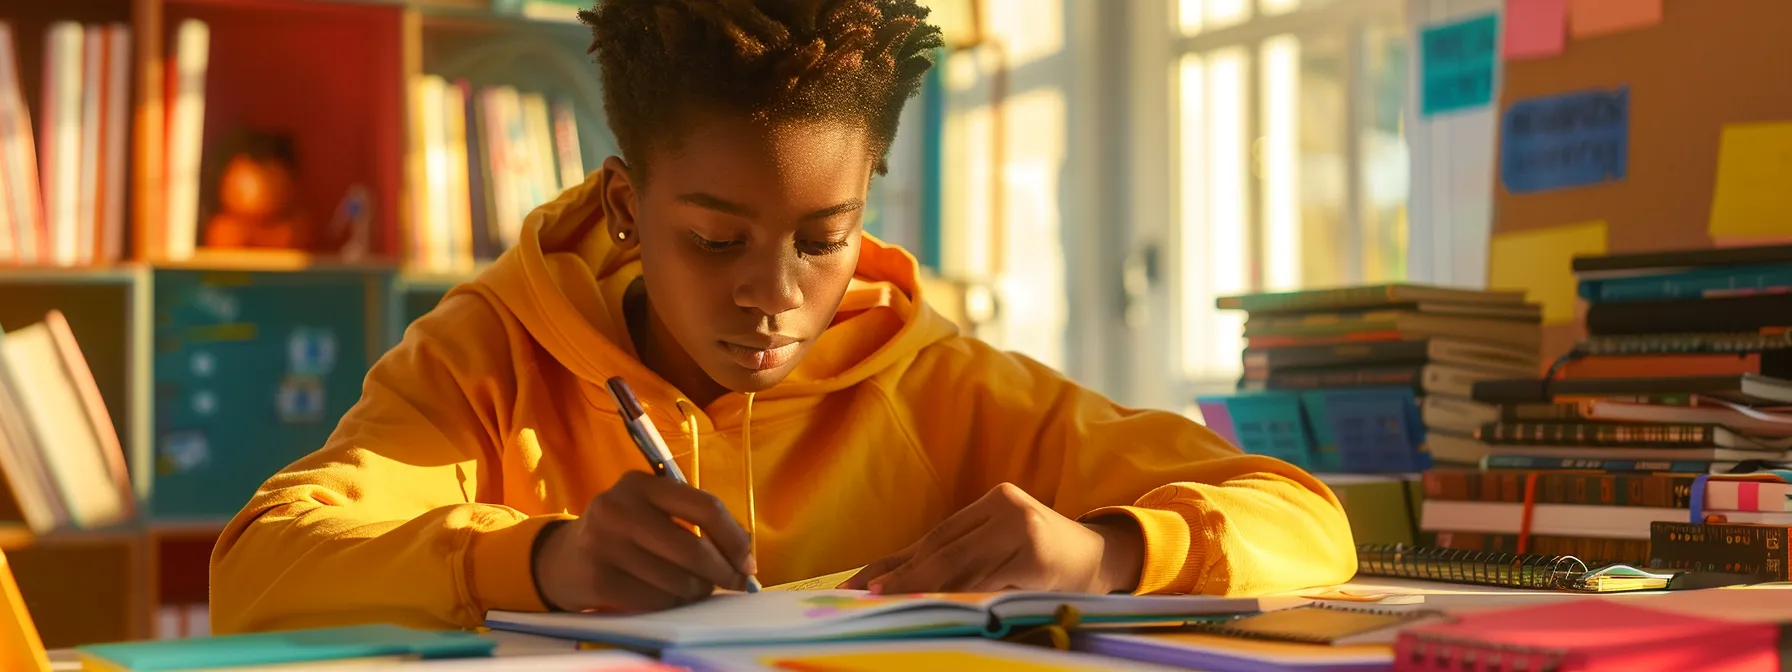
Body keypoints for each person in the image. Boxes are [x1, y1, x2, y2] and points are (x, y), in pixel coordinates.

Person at [209, 0, 1355, 634]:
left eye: (822, 238)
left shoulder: (942, 382)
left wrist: (1106, 549)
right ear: (624, 206)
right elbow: (259, 571)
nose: (774, 293)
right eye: (715, 241)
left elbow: (1306, 523)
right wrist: (543, 560)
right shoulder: (491, 354)